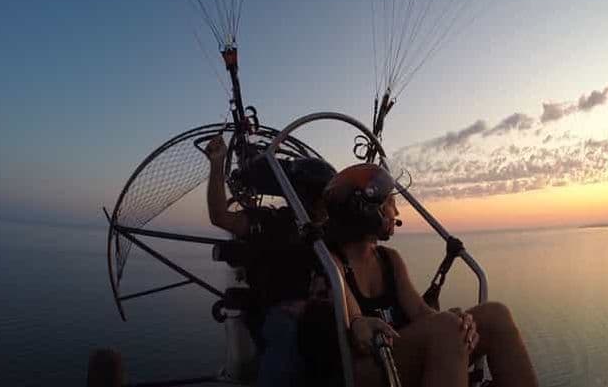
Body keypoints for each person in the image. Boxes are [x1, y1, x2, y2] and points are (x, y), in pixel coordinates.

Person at [322, 163, 539, 387]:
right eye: (390, 204)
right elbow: (356, 321)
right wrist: (445, 326)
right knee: (446, 328)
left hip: (399, 353)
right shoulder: (332, 264)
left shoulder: (389, 259)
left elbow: (420, 312)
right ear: (364, 209)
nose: (396, 213)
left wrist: (458, 323)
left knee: (495, 315)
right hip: (366, 368)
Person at [205, 135, 336, 387]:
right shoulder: (271, 223)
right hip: (281, 315)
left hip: (322, 315)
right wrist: (217, 164)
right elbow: (220, 216)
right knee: (285, 333)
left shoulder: (333, 232)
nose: (326, 204)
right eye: (322, 197)